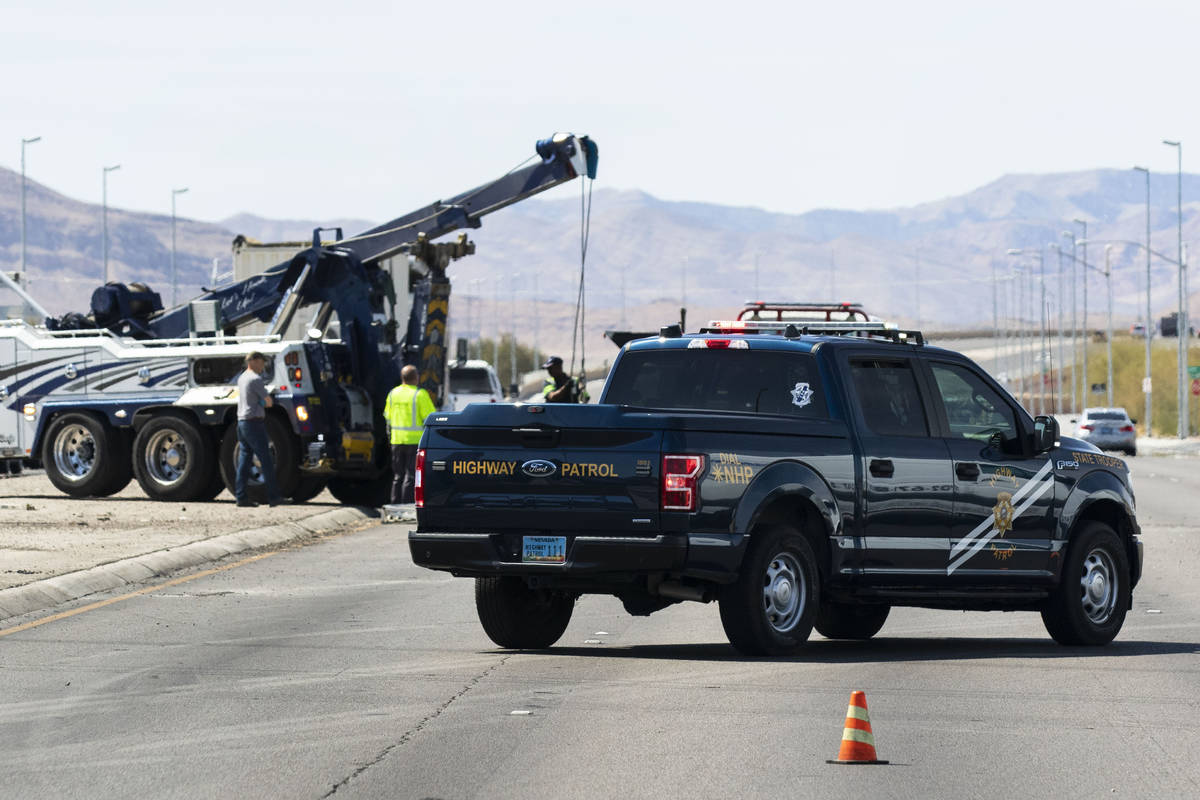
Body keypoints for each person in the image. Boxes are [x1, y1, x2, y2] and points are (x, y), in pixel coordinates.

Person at [235, 351, 283, 508]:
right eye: (261, 362)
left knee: (244, 460)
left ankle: (241, 497)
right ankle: (274, 497)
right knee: (266, 460)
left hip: (242, 422)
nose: (263, 366)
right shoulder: (255, 379)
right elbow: (268, 402)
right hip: (254, 423)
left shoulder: (242, 378)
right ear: (253, 361)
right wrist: (262, 404)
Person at [385, 364, 436, 504]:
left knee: (397, 476)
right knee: (411, 475)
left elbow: (387, 416)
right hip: (414, 441)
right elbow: (429, 418)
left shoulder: (392, 394)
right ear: (416, 378)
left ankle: (395, 506)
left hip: (396, 440)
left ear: (402, 378)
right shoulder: (420, 394)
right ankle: (407, 506)